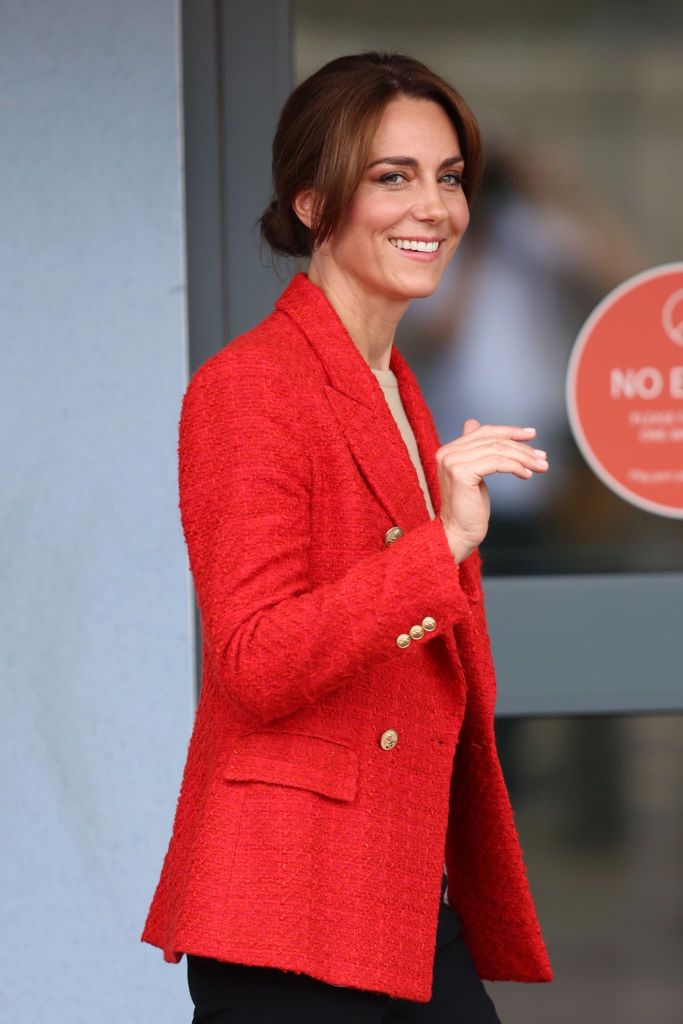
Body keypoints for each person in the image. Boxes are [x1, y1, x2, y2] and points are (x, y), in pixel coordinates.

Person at [140, 51, 553, 1022]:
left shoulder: (400, 390)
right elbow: (254, 660)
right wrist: (438, 544)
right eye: (391, 177)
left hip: (401, 891)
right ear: (314, 203)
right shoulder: (251, 388)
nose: (434, 208)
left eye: (447, 177)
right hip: (291, 910)